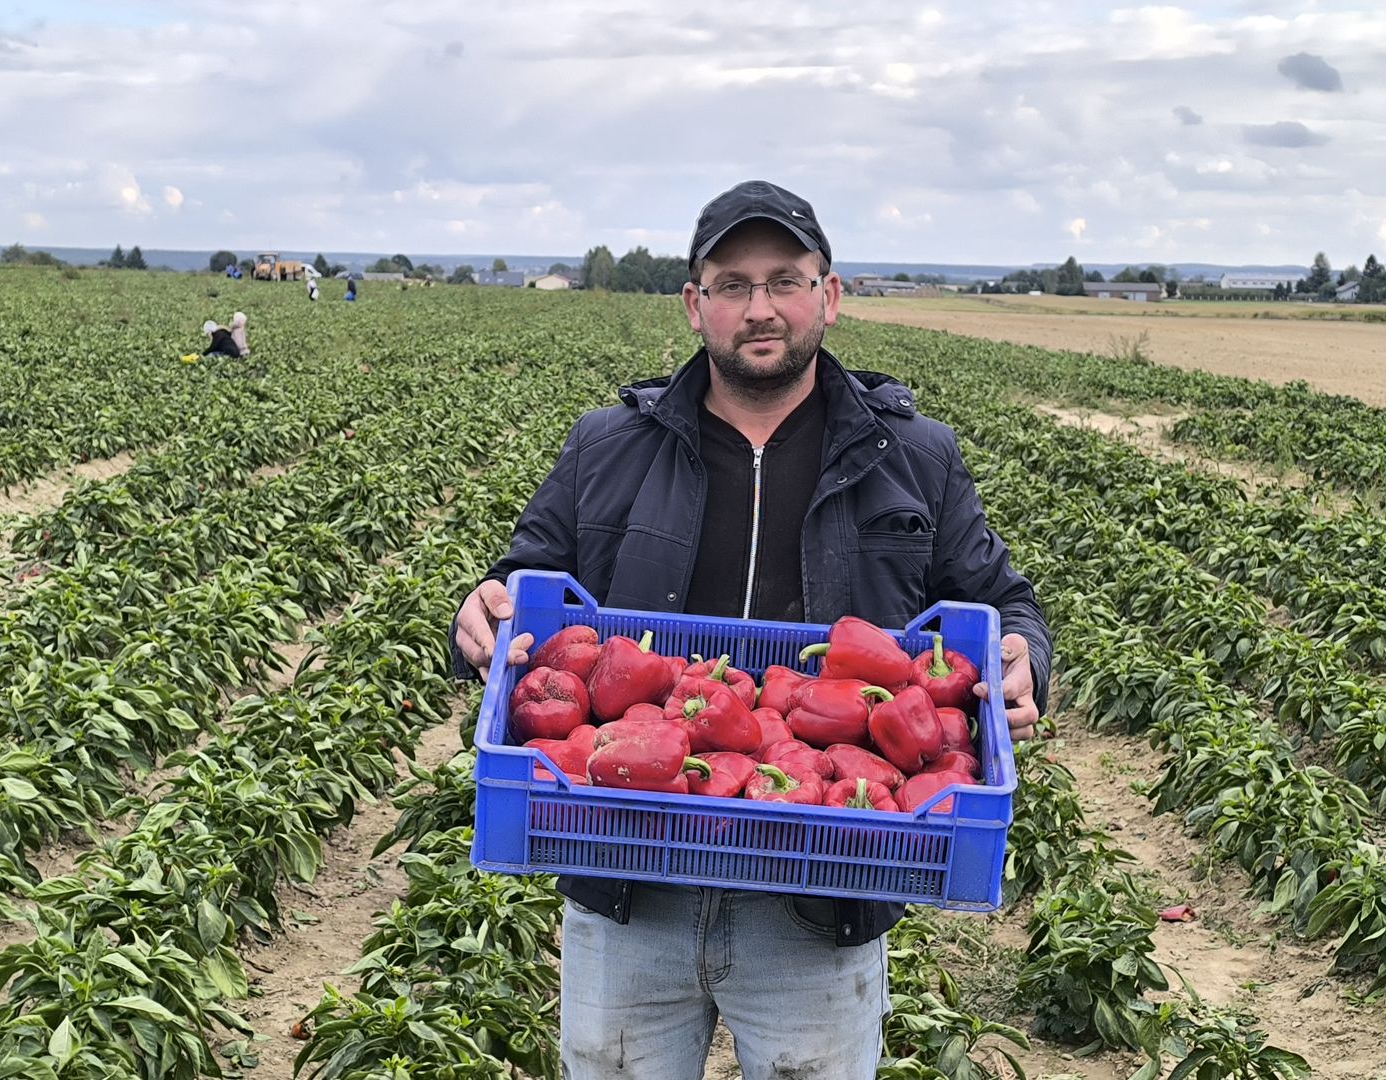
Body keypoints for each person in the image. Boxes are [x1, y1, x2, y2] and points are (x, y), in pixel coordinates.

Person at [450, 179, 1051, 1080]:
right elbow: (520, 581)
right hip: (629, 880)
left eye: (785, 280)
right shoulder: (606, 445)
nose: (760, 308)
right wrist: (480, 612)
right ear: (696, 305)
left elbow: (1003, 600)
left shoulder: (913, 455)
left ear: (830, 295)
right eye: (732, 284)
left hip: (820, 887)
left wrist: (1022, 659)